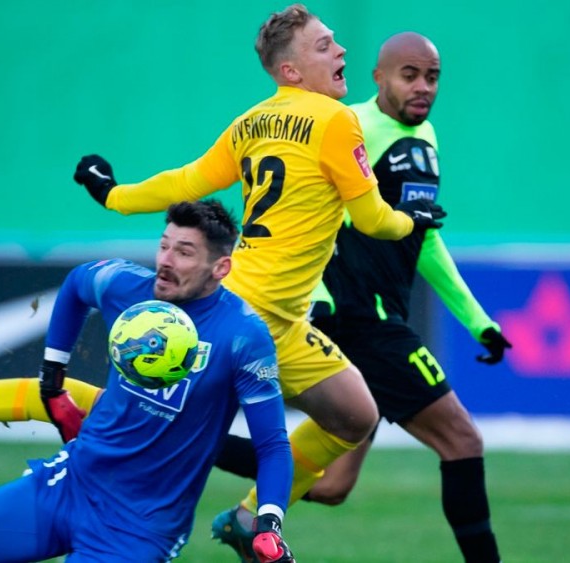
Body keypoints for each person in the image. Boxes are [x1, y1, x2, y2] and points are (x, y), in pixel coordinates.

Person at [71, 5, 446, 559]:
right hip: (242, 316)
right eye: (324, 45)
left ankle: (250, 519)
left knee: (355, 416)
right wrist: (411, 220)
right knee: (139, 417)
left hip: (281, 318)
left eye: (335, 41)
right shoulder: (336, 120)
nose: (341, 50)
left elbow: (187, 181)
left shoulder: (252, 121)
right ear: (290, 70)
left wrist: (113, 195)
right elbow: (372, 219)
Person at [213, 32, 511, 563]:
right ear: (379, 77)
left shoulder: (425, 138)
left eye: (432, 77)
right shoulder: (349, 126)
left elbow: (424, 238)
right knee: (461, 440)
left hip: (377, 315)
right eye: (409, 75)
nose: (423, 87)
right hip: (359, 319)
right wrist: (320, 297)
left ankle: (233, 503)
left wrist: (477, 321)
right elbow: (313, 215)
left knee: (331, 485)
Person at [0, 200, 296, 563]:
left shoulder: (244, 337)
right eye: (164, 245)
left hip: (138, 529)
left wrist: (269, 523)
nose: (166, 260)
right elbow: (76, 283)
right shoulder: (128, 288)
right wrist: (52, 379)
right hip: (70, 483)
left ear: (220, 268)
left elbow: (273, 445)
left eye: (184, 252)